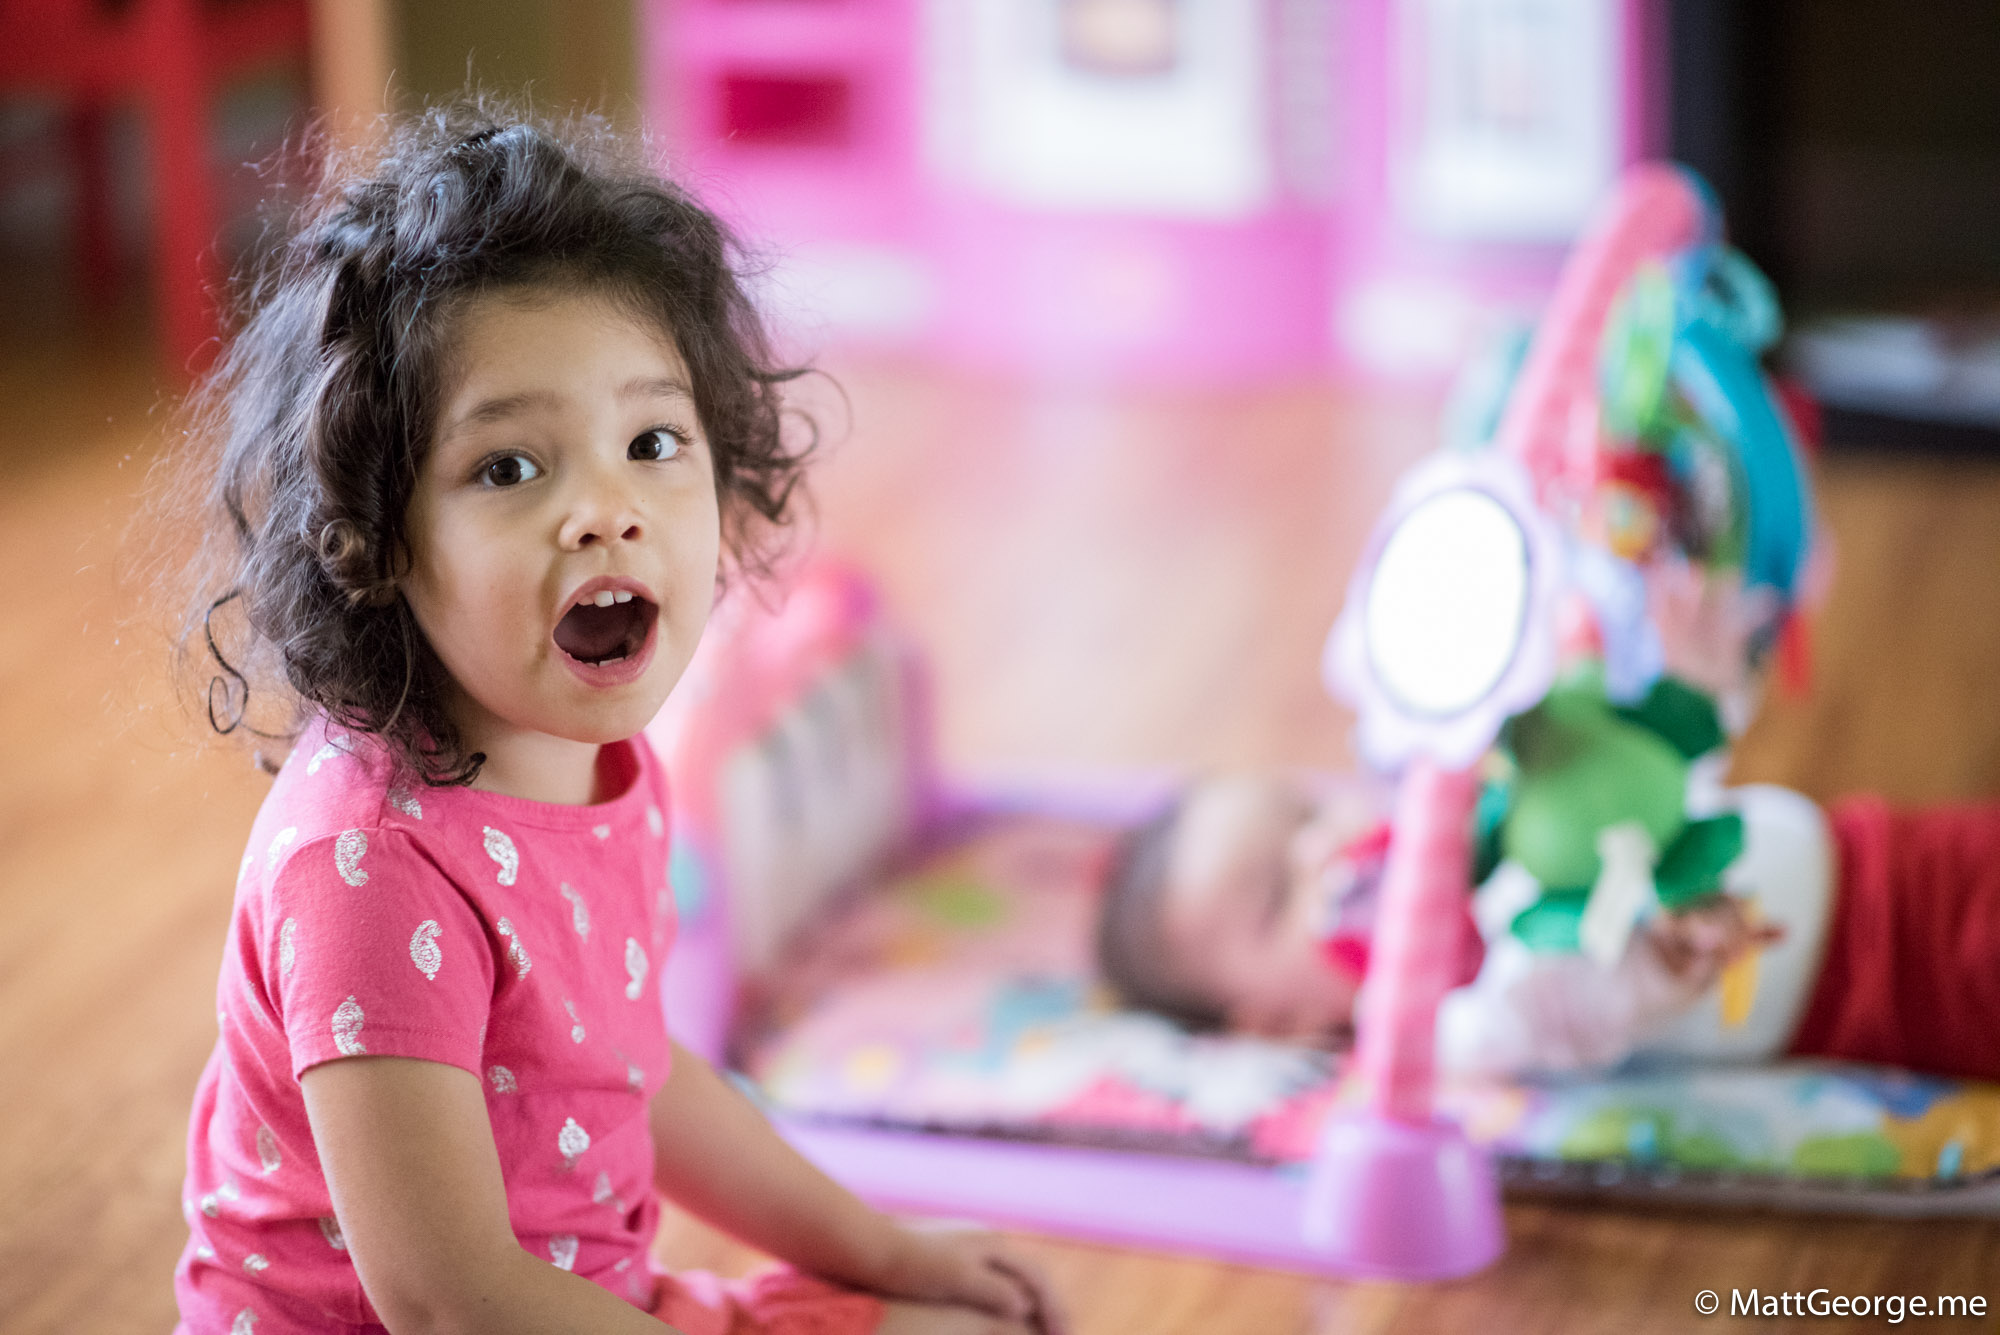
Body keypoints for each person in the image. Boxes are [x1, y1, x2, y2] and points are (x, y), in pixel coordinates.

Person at [161, 101, 1063, 1335]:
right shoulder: (365, 866)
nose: (606, 509)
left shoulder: (604, 761)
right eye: (510, 469)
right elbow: (446, 1296)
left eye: (650, 441)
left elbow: (639, 1076)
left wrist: (888, 1254)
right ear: (372, 541)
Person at [1096, 769, 2000, 1083]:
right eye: (1274, 899)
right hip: (1896, 978)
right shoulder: (1454, 1024)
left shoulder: (1475, 813)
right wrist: (1643, 964)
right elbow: (1556, 1014)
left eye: (1305, 818)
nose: (1325, 855)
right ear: (1274, 1022)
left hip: (1880, 843)